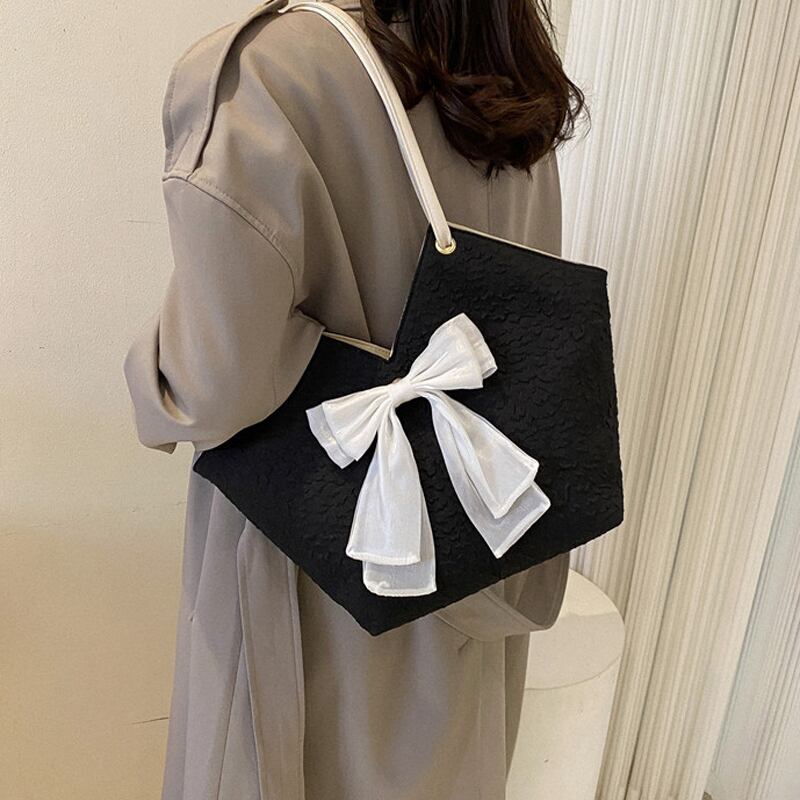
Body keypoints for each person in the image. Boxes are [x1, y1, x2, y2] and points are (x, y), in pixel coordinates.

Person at [123, 1, 587, 797]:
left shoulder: (266, 75)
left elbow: (209, 384)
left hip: (315, 572)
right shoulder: (510, 80)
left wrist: (145, 373)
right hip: (474, 546)